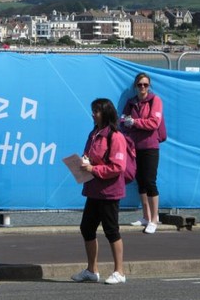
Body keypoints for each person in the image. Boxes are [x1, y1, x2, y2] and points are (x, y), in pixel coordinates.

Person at [71, 98, 127, 285]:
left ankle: (119, 271)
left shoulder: (115, 136)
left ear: (106, 113)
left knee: (111, 230)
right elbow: (91, 156)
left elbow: (118, 166)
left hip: (109, 191)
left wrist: (93, 169)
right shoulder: (94, 133)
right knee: (86, 228)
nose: (93, 114)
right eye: (92, 111)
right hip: (93, 190)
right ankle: (92, 270)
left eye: (96, 111)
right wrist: (84, 162)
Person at [120, 72, 164, 234]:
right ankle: (146, 216)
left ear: (149, 86)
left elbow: (154, 122)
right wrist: (126, 121)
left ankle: (154, 219)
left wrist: (135, 122)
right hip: (134, 146)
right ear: (135, 86)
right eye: (140, 85)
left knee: (150, 181)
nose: (143, 88)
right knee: (140, 181)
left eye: (145, 85)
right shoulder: (130, 102)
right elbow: (122, 120)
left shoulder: (155, 100)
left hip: (150, 146)